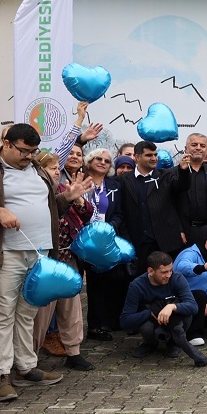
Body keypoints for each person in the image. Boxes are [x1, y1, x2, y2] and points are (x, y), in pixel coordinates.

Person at [0, 123, 92, 402]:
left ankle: (25, 367)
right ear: (7, 144)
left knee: (27, 312)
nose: (29, 156)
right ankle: (0, 375)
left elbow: (50, 207)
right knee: (1, 314)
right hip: (6, 253)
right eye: (24, 151)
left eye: (33, 151)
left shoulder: (37, 169)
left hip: (40, 251)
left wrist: (67, 197)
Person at [30, 151, 95, 372]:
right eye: (51, 168)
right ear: (39, 170)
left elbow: (86, 214)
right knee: (41, 313)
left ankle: (74, 352)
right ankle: (30, 358)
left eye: (58, 167)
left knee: (72, 308)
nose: (57, 171)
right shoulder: (35, 191)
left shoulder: (63, 188)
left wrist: (77, 198)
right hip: (46, 262)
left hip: (68, 258)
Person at [120, 251, 207, 366]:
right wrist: (150, 313)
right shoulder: (137, 286)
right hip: (152, 321)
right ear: (151, 271)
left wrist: (172, 307)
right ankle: (150, 343)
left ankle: (174, 343)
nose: (168, 275)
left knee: (186, 314)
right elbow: (125, 321)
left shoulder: (177, 278)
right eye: (164, 272)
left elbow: (193, 306)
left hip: (174, 320)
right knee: (146, 327)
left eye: (170, 270)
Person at [119, 140, 189, 274]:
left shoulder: (165, 175)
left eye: (155, 155)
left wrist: (183, 170)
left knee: (165, 279)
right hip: (137, 243)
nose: (154, 158)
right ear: (137, 157)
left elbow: (182, 186)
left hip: (165, 242)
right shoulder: (123, 180)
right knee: (140, 280)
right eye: (149, 155)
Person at [79, 146, 127, 341]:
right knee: (75, 282)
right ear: (89, 161)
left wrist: (109, 227)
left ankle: (96, 326)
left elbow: (120, 213)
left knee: (98, 283)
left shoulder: (114, 185)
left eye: (107, 161)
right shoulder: (79, 181)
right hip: (80, 238)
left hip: (103, 239)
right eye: (98, 159)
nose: (102, 162)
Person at [174, 225, 207, 343]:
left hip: (200, 301)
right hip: (181, 298)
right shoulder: (190, 252)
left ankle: (191, 325)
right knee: (200, 295)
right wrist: (202, 268)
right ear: (203, 238)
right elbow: (181, 266)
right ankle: (193, 335)